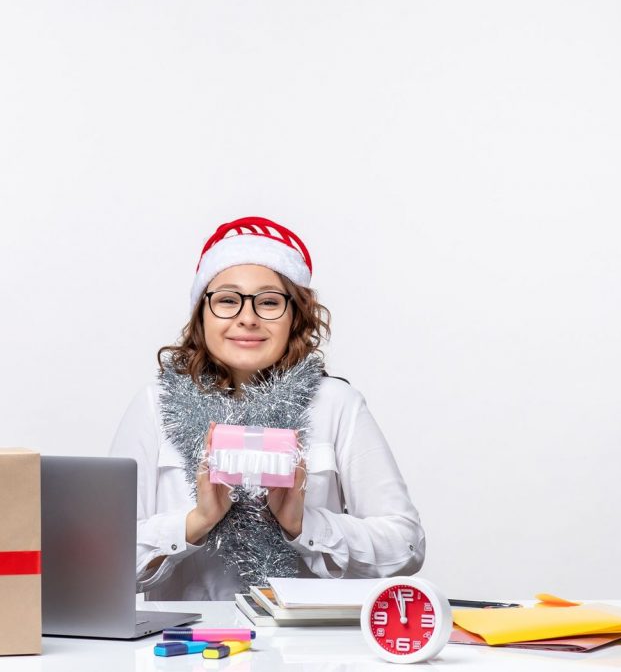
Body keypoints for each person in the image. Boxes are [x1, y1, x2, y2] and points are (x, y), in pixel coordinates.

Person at [108, 217, 425, 601]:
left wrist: (304, 525)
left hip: (303, 637)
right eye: (227, 300)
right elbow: (104, 562)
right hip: (189, 636)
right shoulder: (154, 405)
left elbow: (407, 545)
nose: (247, 317)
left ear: (295, 317)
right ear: (201, 314)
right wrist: (195, 522)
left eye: (270, 302)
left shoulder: (337, 404)